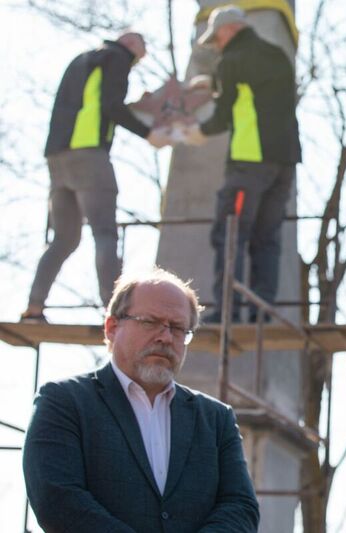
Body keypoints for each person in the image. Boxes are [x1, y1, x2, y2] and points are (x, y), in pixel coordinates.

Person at [23, 268, 259, 531]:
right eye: (150, 322)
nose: (165, 337)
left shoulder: (216, 419)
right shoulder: (64, 402)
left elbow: (240, 506)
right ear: (112, 327)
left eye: (179, 328)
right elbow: (58, 500)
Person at [20, 33, 171, 322]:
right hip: (89, 157)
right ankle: (114, 309)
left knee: (64, 239)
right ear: (130, 44)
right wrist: (149, 133)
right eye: (141, 51)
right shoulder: (116, 58)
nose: (141, 58)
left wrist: (136, 107)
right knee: (104, 233)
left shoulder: (84, 60)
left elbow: (93, 104)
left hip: (58, 157)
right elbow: (110, 106)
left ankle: (34, 306)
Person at [183, 6, 301, 322]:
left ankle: (227, 310)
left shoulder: (232, 60)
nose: (217, 45)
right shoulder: (276, 55)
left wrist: (197, 131)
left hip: (249, 163)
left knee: (231, 234)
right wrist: (216, 82)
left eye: (217, 38)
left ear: (228, 30)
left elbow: (226, 113)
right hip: (285, 161)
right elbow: (258, 96)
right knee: (267, 237)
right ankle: (262, 311)